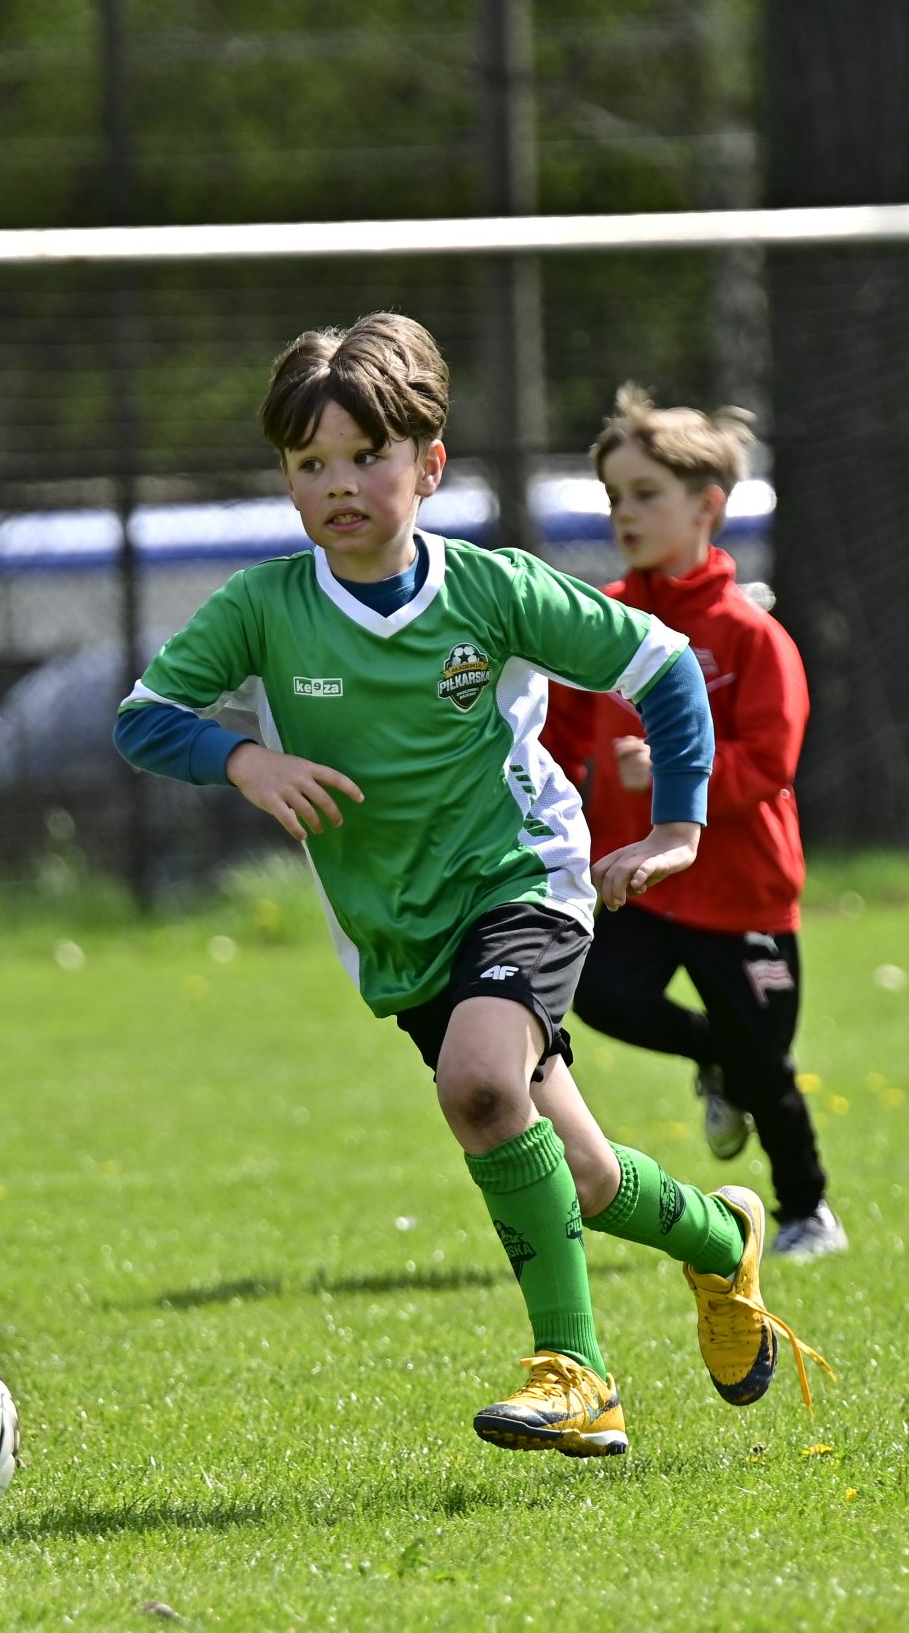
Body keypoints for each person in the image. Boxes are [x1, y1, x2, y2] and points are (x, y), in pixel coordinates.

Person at [113, 316, 828, 1458]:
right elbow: (145, 719)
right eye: (310, 463)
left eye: (367, 456)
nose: (339, 484)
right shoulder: (261, 607)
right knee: (582, 1175)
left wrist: (678, 827)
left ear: (429, 465)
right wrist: (243, 758)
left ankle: (577, 1377)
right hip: (398, 930)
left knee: (481, 1088)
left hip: (522, 876)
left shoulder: (491, 592)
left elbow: (663, 671)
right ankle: (715, 1237)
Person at [542, 384, 844, 1261]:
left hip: (741, 890)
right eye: (614, 496)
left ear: (707, 506)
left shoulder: (751, 634)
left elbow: (771, 762)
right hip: (636, 878)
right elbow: (558, 736)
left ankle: (808, 1211)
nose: (624, 513)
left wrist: (679, 773)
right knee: (600, 991)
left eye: (646, 494)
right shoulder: (601, 621)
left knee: (766, 1066)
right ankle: (714, 1054)